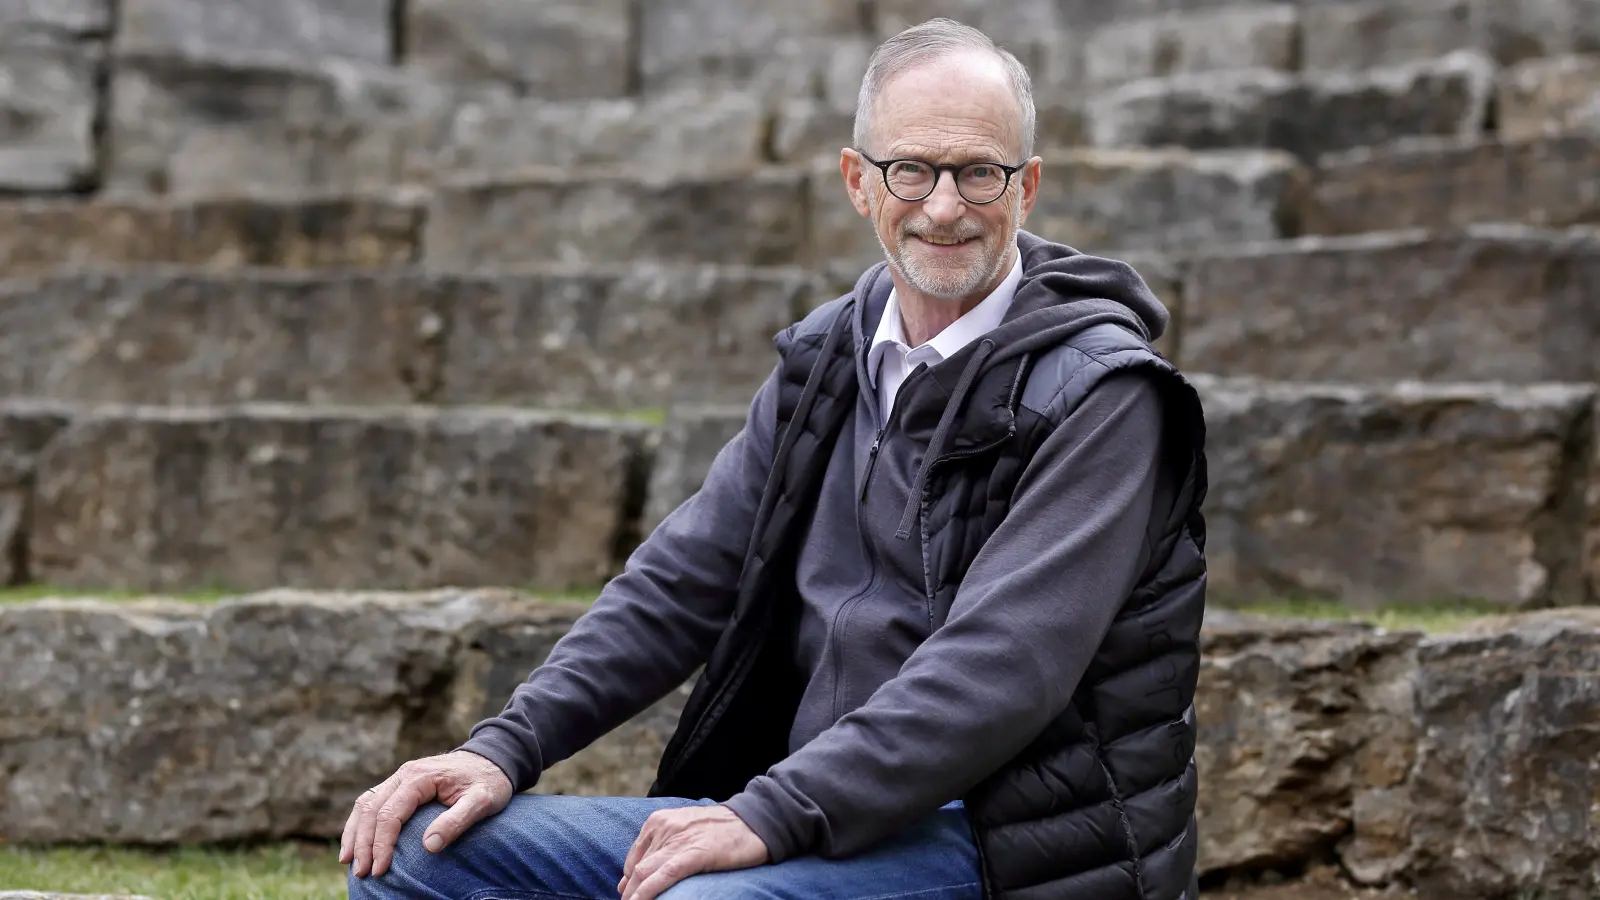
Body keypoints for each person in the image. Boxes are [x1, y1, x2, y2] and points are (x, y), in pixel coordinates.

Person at [344, 17, 1207, 900]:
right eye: (910, 168)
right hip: (807, 806)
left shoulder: (1107, 395)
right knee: (421, 850)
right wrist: (503, 747)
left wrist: (768, 815)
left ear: (1026, 187)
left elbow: (1001, 668)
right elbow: (681, 580)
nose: (944, 206)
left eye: (978, 172)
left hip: (994, 840)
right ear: (857, 182)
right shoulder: (832, 356)